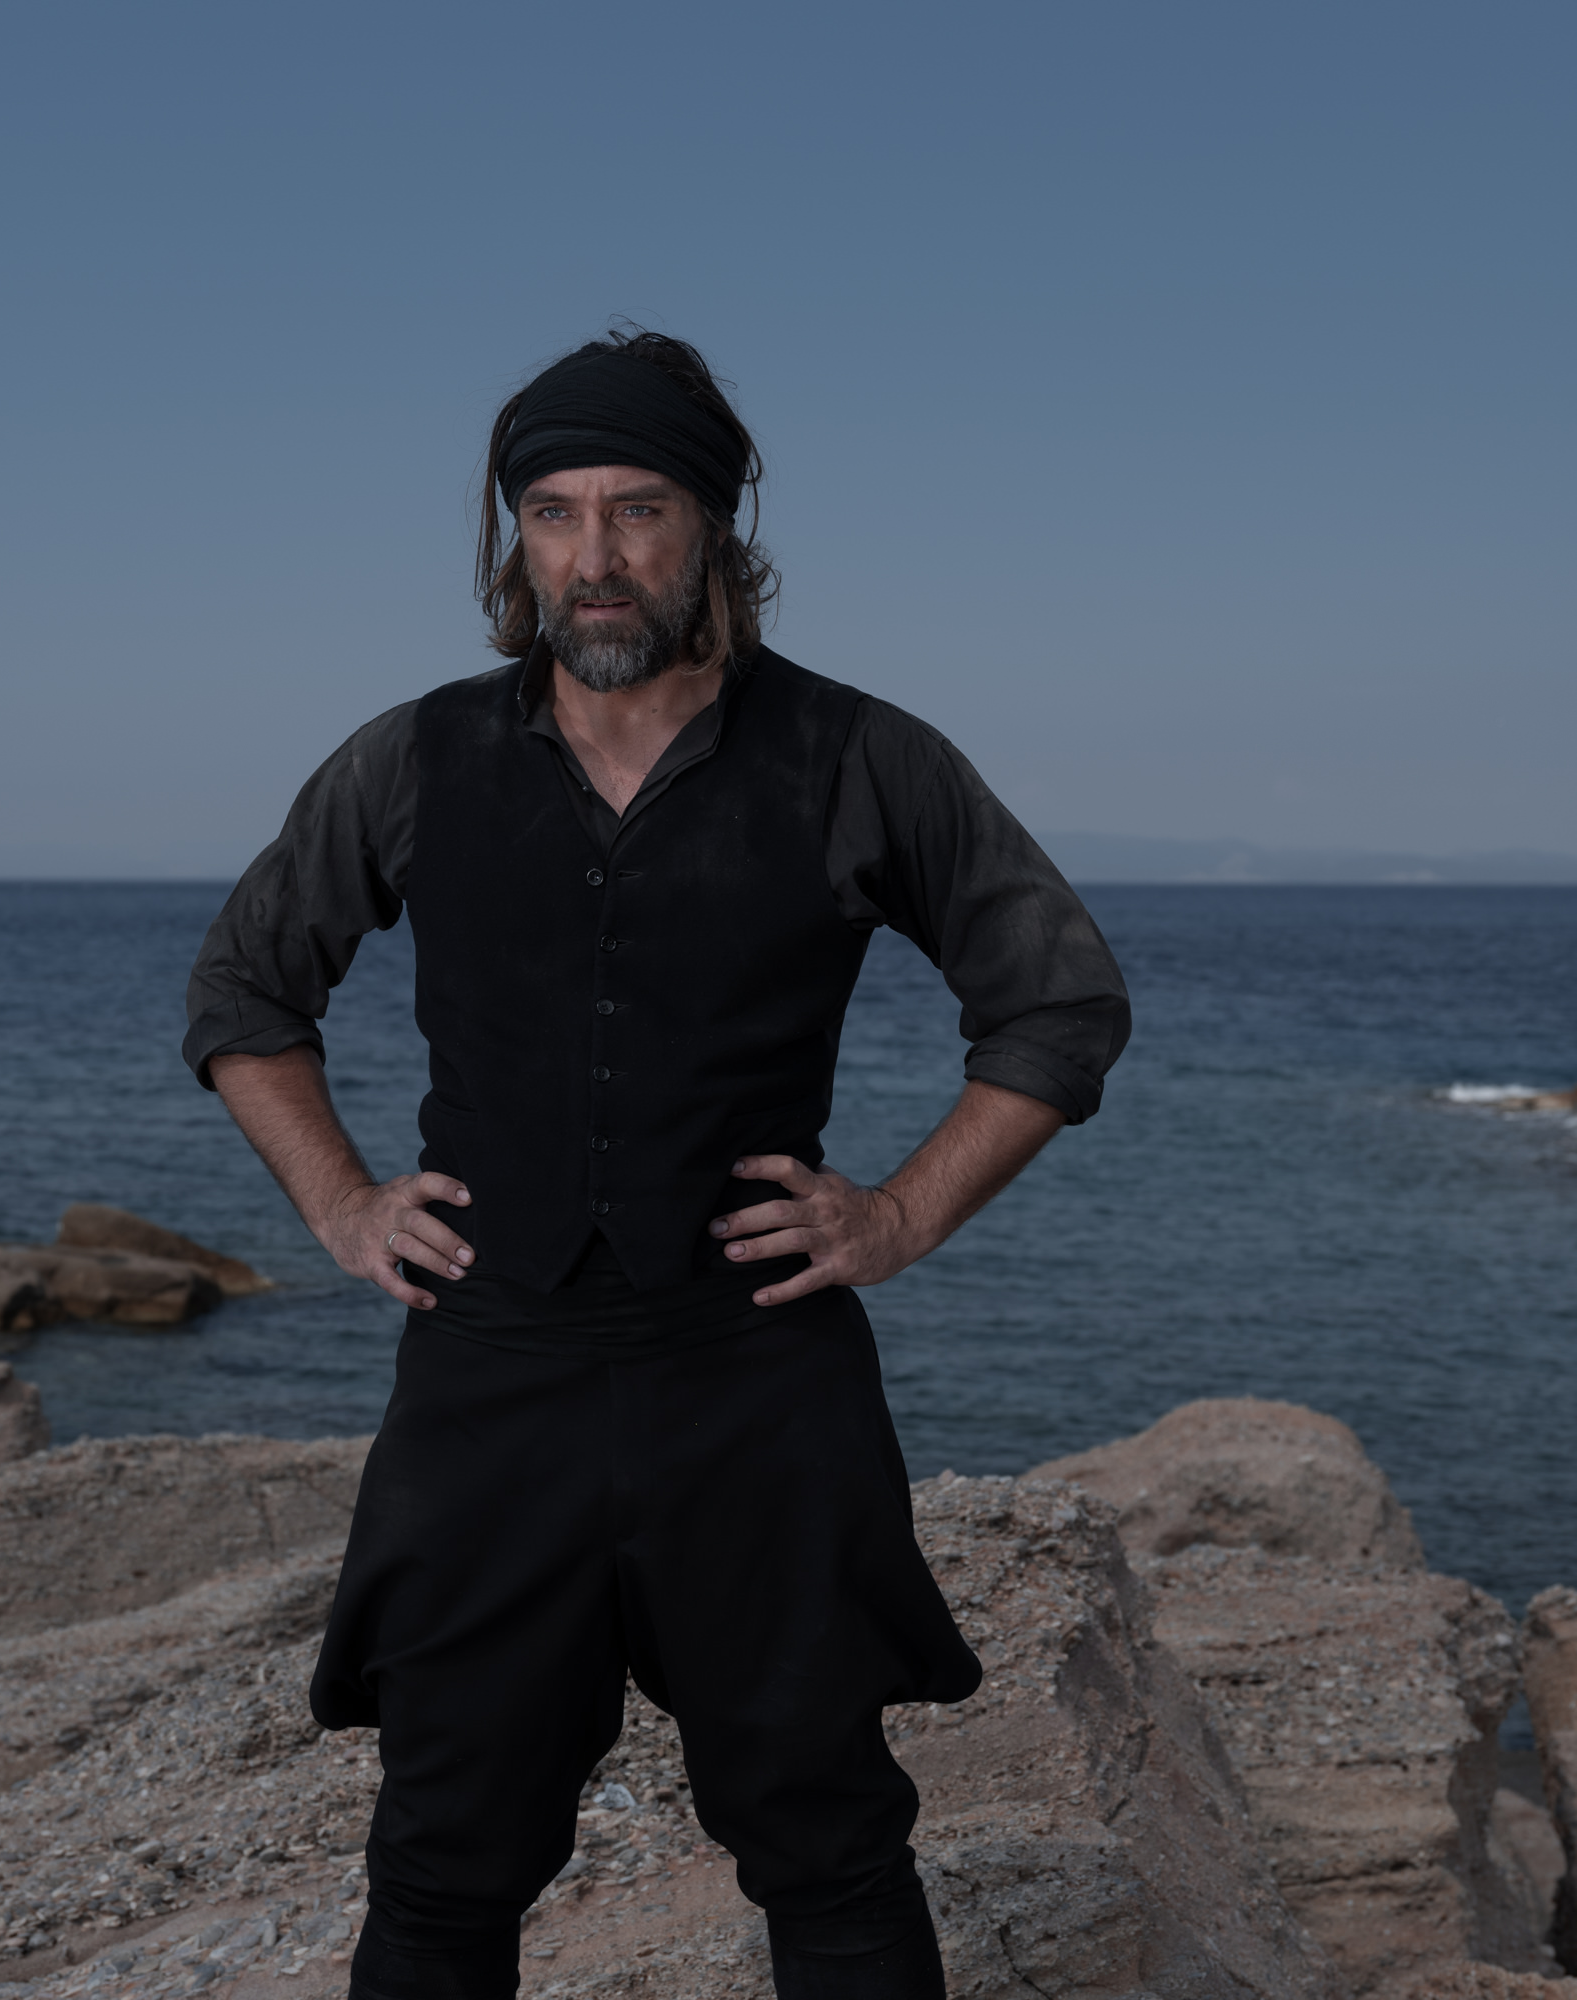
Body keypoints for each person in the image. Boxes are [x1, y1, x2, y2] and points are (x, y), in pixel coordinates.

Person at [184, 328, 1130, 2000]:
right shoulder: (415, 759)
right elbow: (246, 995)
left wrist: (899, 1213)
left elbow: (1058, 1003)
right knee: (442, 1858)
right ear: (515, 540)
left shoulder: (860, 757)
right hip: (490, 1385)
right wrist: (340, 1201)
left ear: (714, 527)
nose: (595, 555)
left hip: (754, 1384)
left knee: (828, 1842)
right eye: (553, 513)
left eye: (638, 508)